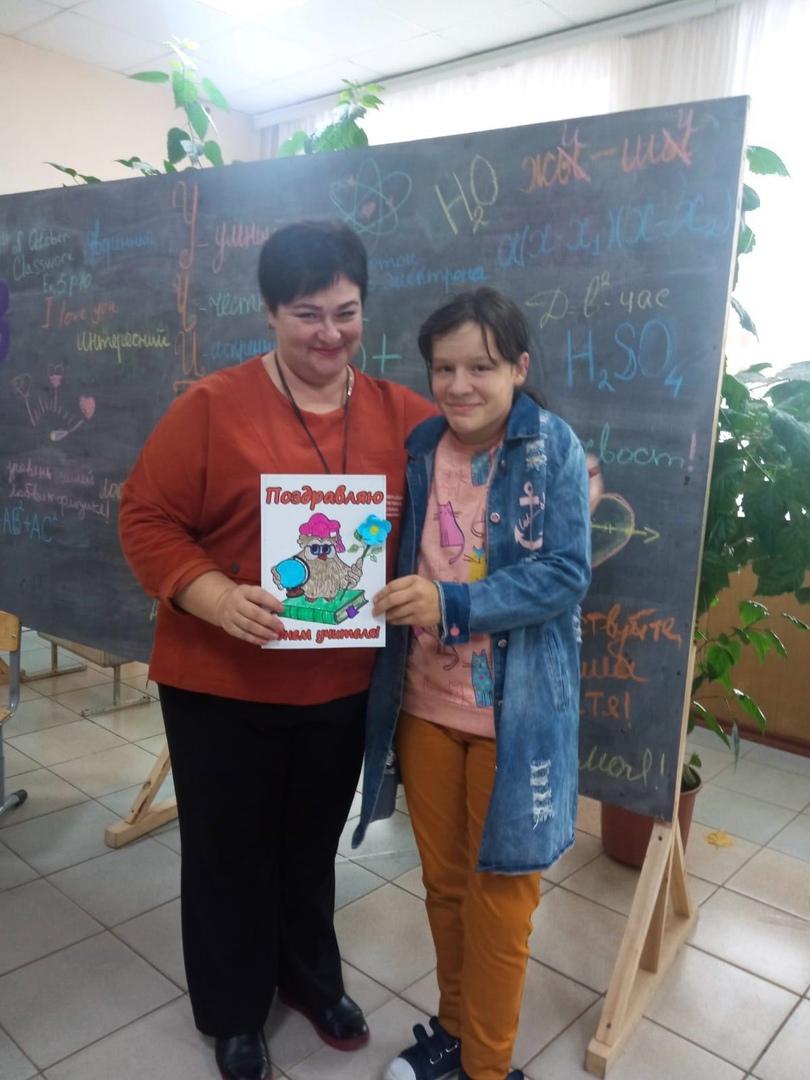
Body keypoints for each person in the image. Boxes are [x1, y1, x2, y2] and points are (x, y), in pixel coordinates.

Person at [118, 221, 435, 1080]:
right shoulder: (212, 407)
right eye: (307, 314)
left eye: (346, 311)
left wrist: (563, 468)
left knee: (308, 846)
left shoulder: (404, 416)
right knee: (229, 854)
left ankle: (308, 979)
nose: (330, 333)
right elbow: (144, 517)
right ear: (268, 312)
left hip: (340, 685)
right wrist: (214, 595)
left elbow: (483, 454)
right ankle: (232, 1009)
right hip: (220, 683)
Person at [353, 287, 592, 1080]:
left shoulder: (551, 448)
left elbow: (565, 574)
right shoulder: (422, 447)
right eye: (443, 368)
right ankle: (455, 1033)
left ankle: (488, 1068)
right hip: (424, 705)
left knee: (501, 899)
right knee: (445, 885)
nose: (459, 385)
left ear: (518, 368)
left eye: (480, 367)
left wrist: (453, 604)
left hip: (514, 718)